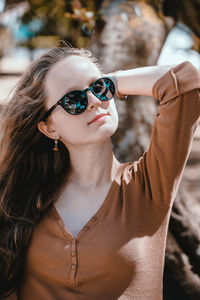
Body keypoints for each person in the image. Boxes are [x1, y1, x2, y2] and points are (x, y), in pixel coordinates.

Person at [0, 46, 199, 300]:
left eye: (98, 87)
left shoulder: (148, 184)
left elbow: (184, 82)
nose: (94, 101)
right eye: (74, 100)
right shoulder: (24, 198)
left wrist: (114, 81)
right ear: (49, 128)